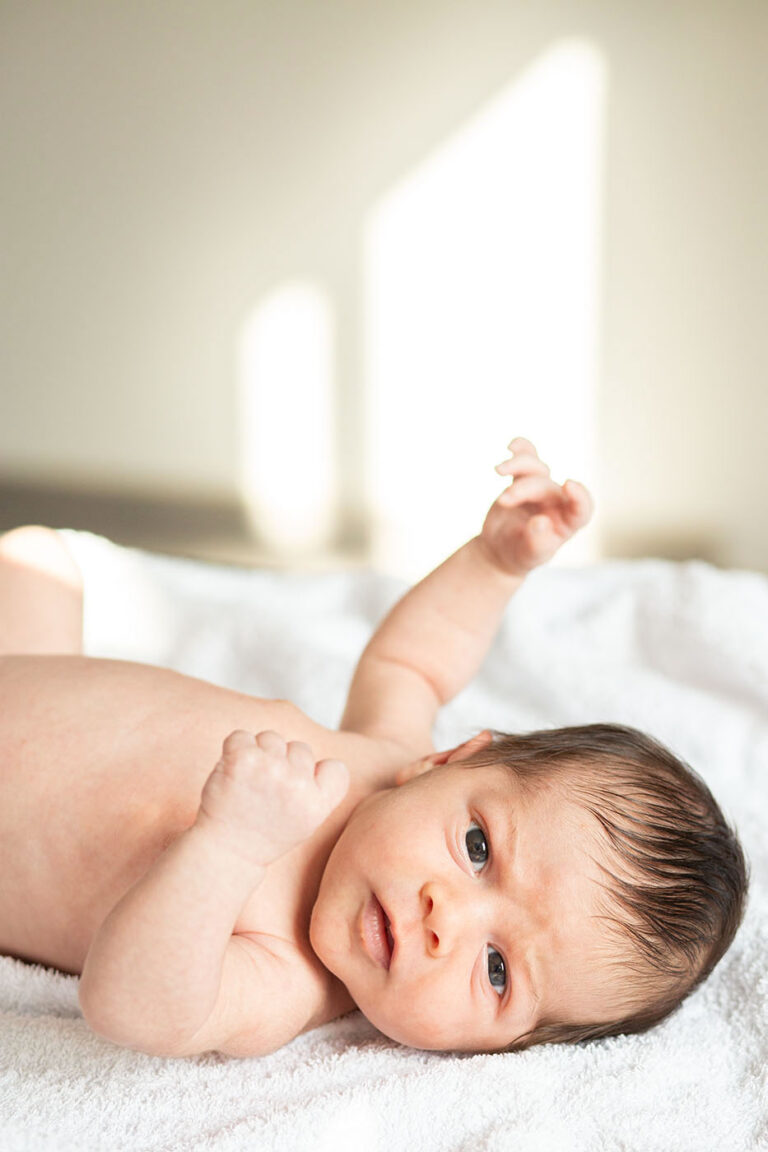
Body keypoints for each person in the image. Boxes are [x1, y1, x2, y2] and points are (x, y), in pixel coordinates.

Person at [0, 438, 747, 1058]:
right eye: (480, 848)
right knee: (38, 561)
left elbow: (135, 1007)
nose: (443, 920)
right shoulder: (387, 759)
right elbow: (413, 663)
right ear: (447, 761)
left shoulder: (286, 976)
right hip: (31, 677)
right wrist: (494, 564)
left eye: (497, 971)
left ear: (503, 1048)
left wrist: (226, 846)